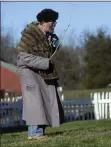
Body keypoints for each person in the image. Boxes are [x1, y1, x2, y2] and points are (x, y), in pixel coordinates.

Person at [17, 9, 65, 140]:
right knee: (34, 102)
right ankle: (34, 133)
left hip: (43, 72)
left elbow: (50, 53)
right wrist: (45, 62)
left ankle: (40, 132)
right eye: (52, 22)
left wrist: (55, 45)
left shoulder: (50, 35)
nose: (54, 24)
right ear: (43, 22)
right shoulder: (29, 35)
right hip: (29, 73)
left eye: (55, 22)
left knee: (47, 100)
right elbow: (24, 57)